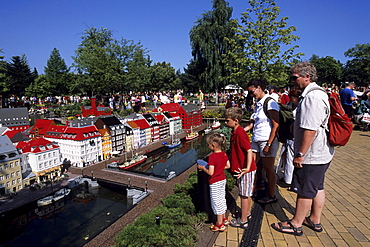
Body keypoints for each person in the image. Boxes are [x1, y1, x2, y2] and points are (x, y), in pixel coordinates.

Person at [271, 62, 334, 236]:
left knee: (305, 189)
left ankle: (296, 223)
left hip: (311, 154)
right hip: (321, 153)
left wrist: (300, 154)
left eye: (294, 77)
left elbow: (310, 129)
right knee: (317, 186)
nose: (292, 81)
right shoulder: (316, 94)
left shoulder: (312, 97)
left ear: (307, 77)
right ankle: (314, 219)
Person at [244, 79, 280, 204]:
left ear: (259, 88)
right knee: (251, 165)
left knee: (268, 168)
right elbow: (254, 122)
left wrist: (269, 144)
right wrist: (242, 130)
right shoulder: (259, 103)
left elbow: (276, 125)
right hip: (256, 139)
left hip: (266, 140)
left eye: (252, 91)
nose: (251, 95)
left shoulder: (270, 103)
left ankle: (271, 195)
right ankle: (252, 188)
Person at [225, 107, 256, 229]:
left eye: (228, 121)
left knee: (244, 195)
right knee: (245, 193)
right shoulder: (236, 132)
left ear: (236, 120)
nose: (226, 123)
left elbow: (249, 150)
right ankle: (246, 213)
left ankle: (243, 220)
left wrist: (247, 168)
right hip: (241, 169)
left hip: (244, 170)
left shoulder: (240, 134)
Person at [198, 132, 230, 232]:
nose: (208, 146)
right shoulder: (224, 154)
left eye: (208, 144)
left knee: (216, 202)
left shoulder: (212, 157)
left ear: (213, 145)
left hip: (215, 182)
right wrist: (219, 169)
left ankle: (219, 224)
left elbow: (211, 172)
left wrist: (203, 168)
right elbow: (228, 166)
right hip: (222, 180)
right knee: (222, 199)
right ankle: (224, 219)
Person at [276, 86, 302, 185]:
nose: (291, 98)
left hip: (295, 136)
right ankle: (288, 179)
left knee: (291, 158)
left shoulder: (299, 107)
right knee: (287, 158)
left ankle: (290, 179)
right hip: (290, 136)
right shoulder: (289, 105)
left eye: (293, 96)